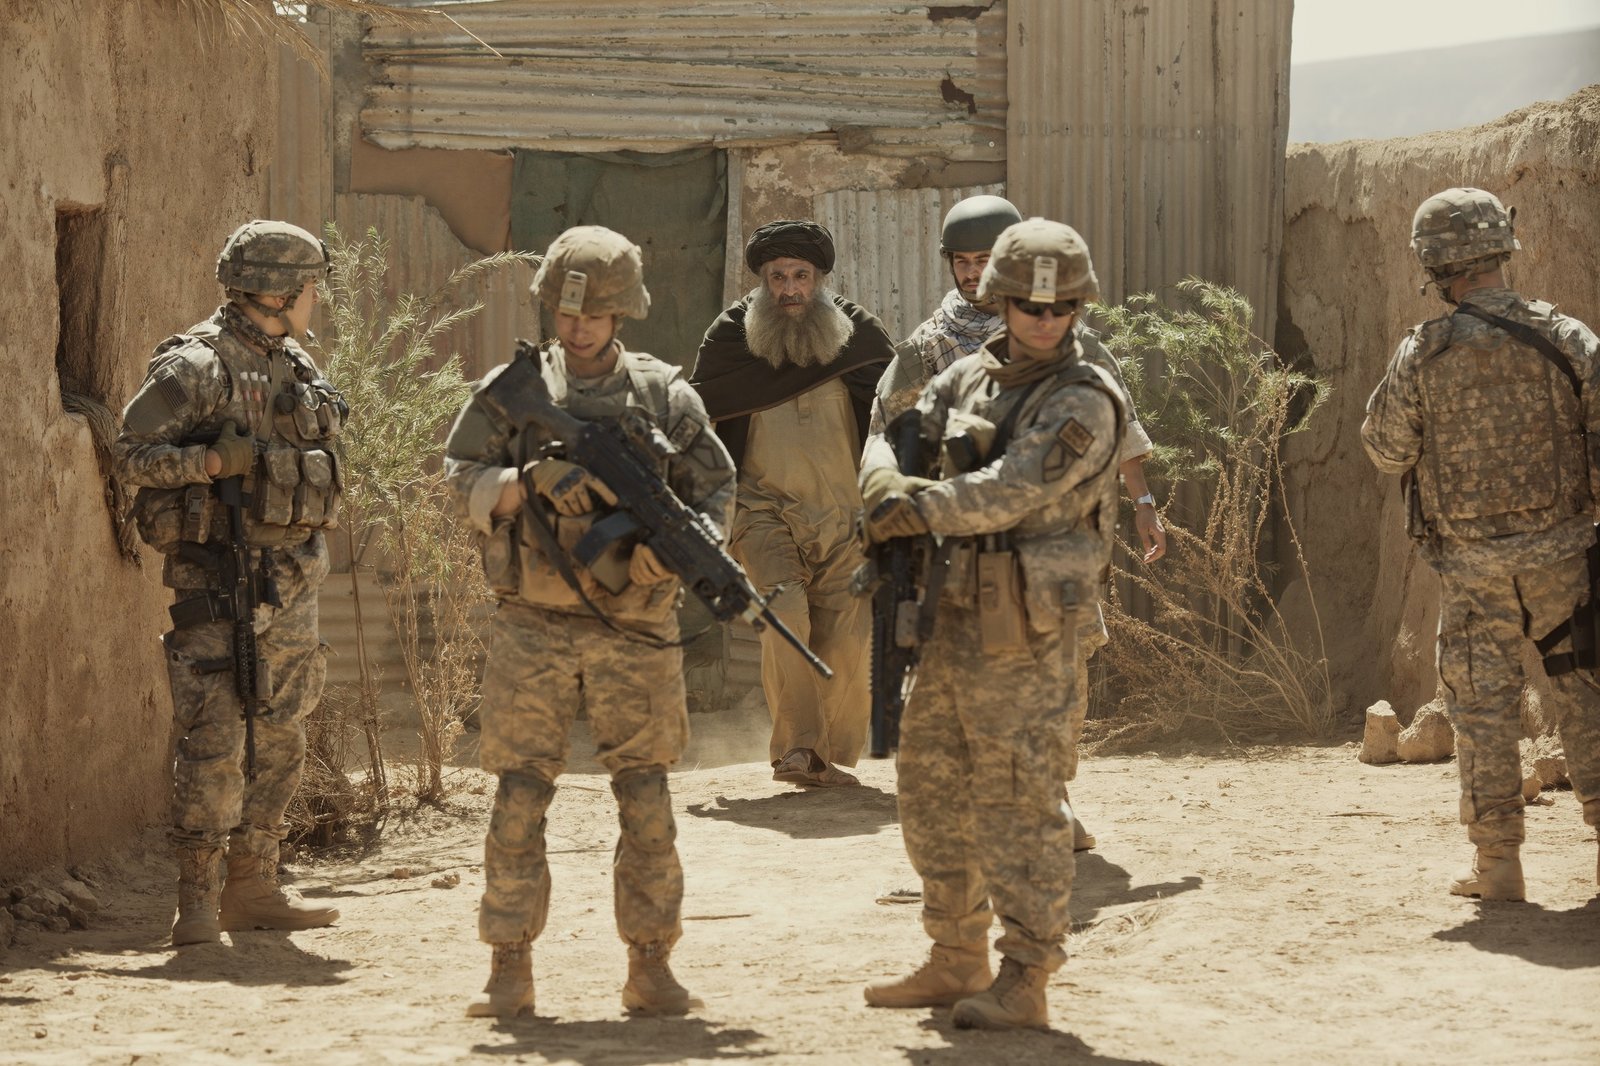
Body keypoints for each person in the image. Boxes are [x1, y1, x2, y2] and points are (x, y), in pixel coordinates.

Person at [444, 225, 735, 1018]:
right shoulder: (513, 390)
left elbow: (715, 490)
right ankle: (509, 966)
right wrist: (528, 480)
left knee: (646, 801)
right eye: (567, 314)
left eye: (596, 315)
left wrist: (673, 556)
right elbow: (459, 474)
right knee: (518, 798)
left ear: (622, 314)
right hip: (532, 623)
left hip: (634, 627)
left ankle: (651, 963)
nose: (578, 329)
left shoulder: (665, 396)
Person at [860, 219, 1126, 1029]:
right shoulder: (967, 376)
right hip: (951, 615)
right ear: (1001, 302)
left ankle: (1026, 975)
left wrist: (912, 508)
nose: (1046, 321)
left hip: (1027, 628)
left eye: (1061, 308)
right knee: (930, 788)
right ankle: (955, 954)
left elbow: (1013, 489)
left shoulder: (1084, 399)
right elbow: (891, 434)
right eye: (1030, 307)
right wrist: (881, 480)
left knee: (1019, 802)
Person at [862, 194, 1167, 850]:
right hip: (966, 546)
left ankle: (1049, 792)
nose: (974, 273)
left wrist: (1142, 504)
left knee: (1065, 676)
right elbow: (886, 436)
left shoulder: (1072, 345)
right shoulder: (929, 349)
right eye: (963, 261)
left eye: (985, 260)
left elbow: (1122, 429)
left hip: (1059, 546)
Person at [1361, 186, 1600, 901]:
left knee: (1484, 710)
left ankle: (1499, 866)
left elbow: (1386, 448)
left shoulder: (1422, 353)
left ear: (1435, 266)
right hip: (1565, 561)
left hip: (1471, 572)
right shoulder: (1568, 338)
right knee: (1587, 699)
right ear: (1501, 249)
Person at [115, 220, 345, 946]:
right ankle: (197, 899)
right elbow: (129, 453)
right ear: (279, 291)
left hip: (292, 577)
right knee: (214, 737)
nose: (315, 299)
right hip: (219, 576)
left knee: (281, 734)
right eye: (309, 287)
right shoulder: (197, 365)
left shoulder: (294, 361)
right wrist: (209, 466)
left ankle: (254, 887)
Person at [689, 220, 894, 787]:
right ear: (762, 281)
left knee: (847, 638)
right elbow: (698, 419)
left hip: (846, 515)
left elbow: (896, 415)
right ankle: (799, 748)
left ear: (820, 278)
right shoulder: (730, 337)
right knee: (785, 617)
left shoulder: (861, 335)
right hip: (761, 510)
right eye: (777, 277)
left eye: (800, 275)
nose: (789, 289)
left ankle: (826, 751)